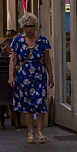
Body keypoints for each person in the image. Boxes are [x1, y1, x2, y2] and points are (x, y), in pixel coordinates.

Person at [8, 12, 54, 143]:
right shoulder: (17, 41)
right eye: (27, 26)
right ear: (23, 27)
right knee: (27, 104)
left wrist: (50, 76)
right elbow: (13, 60)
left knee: (40, 102)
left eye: (32, 26)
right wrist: (11, 76)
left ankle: (40, 130)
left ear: (36, 26)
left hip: (39, 75)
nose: (29, 29)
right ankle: (30, 131)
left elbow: (47, 60)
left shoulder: (43, 41)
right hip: (23, 76)